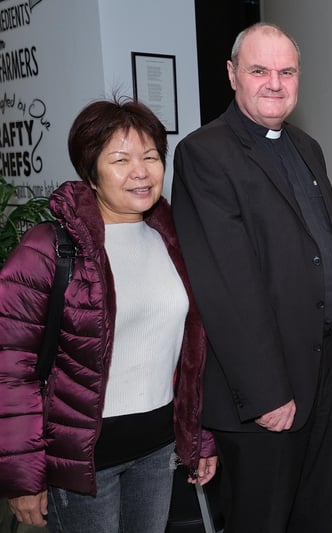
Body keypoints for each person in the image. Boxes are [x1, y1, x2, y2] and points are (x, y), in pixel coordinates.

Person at [0, 97, 217, 532]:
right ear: (91, 173)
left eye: (151, 157)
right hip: (84, 462)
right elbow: (10, 368)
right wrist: (22, 479)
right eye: (121, 159)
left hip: (157, 451)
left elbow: (191, 356)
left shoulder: (173, 241)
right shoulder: (50, 248)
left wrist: (199, 438)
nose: (141, 171)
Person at [171, 22, 332, 532]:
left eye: (286, 71)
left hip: (326, 373)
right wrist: (268, 391)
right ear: (232, 75)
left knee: (313, 518)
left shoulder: (307, 147)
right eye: (259, 70)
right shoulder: (205, 153)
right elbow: (227, 285)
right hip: (268, 389)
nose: (275, 82)